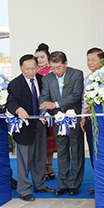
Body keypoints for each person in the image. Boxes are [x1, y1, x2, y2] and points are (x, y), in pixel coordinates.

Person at [7, 55, 56, 201]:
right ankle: (24, 190)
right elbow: (11, 102)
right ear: (21, 68)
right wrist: (18, 109)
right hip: (24, 127)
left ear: (37, 67)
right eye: (27, 69)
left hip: (40, 125)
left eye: (33, 68)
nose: (30, 71)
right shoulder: (15, 84)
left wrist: (45, 112)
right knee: (24, 161)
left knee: (40, 157)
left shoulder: (42, 80)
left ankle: (40, 185)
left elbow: (47, 98)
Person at [39, 51, 84, 197]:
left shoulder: (77, 74)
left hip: (73, 119)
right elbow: (44, 97)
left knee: (76, 152)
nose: (55, 71)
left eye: (58, 67)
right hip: (57, 121)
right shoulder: (47, 79)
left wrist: (55, 104)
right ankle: (63, 184)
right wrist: (44, 112)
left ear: (66, 63)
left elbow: (76, 95)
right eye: (52, 68)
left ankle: (74, 185)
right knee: (62, 152)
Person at [79, 47, 104, 195]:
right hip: (90, 120)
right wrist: (83, 117)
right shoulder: (87, 78)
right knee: (94, 152)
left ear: (102, 60)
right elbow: (85, 100)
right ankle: (99, 183)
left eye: (93, 59)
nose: (90, 62)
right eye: (88, 59)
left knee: (103, 151)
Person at [35, 43, 56, 180]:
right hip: (38, 110)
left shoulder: (52, 71)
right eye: (37, 58)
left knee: (51, 140)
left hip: (52, 110)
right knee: (40, 141)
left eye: (42, 57)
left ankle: (50, 165)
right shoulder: (33, 72)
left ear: (48, 57)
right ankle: (41, 167)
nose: (40, 60)